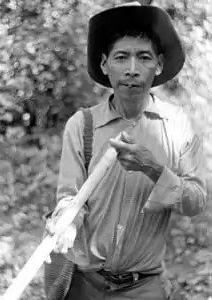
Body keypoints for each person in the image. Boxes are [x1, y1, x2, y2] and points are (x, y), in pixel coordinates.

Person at [46, 2, 207, 299]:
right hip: (84, 284)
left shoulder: (178, 126)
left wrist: (153, 169)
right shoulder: (82, 125)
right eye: (122, 57)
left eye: (143, 58)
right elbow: (69, 196)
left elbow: (195, 202)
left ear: (158, 64)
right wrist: (66, 219)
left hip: (145, 287)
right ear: (105, 64)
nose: (132, 70)